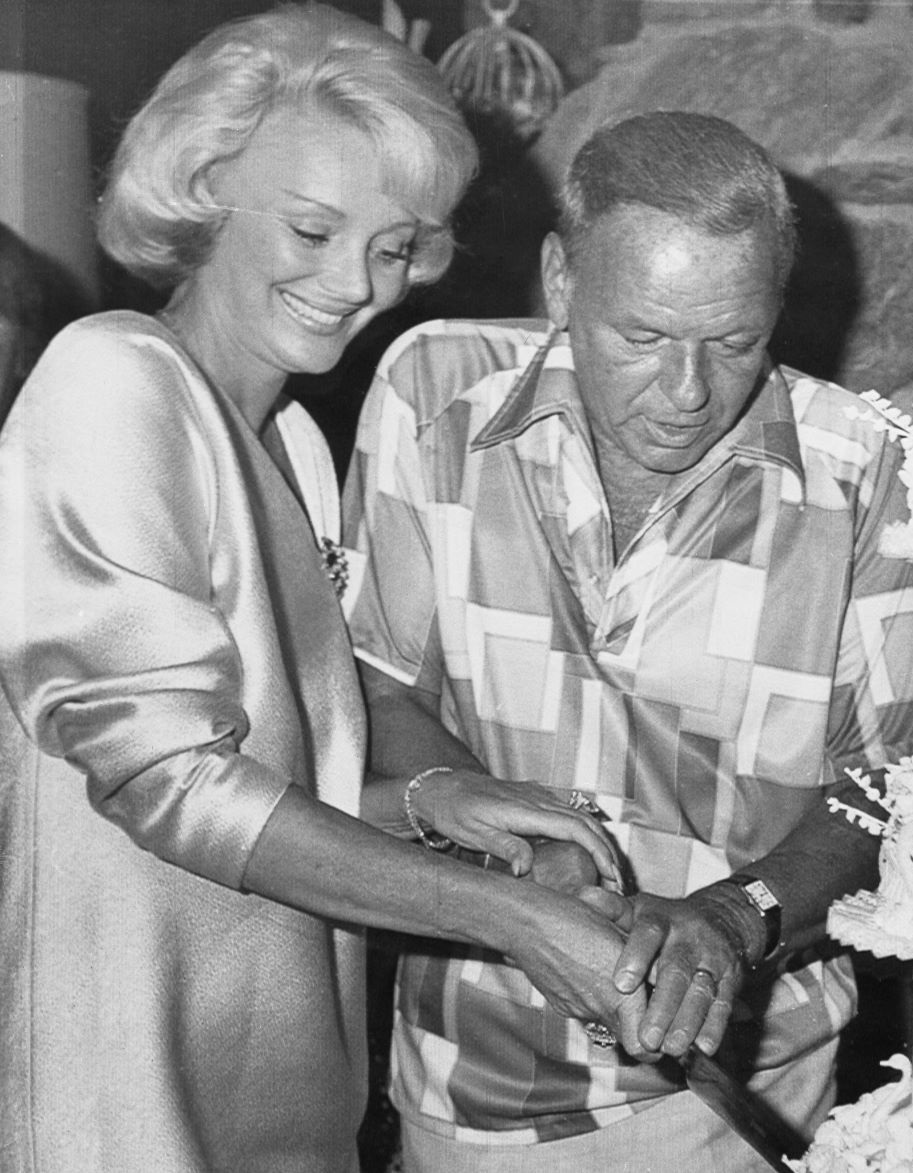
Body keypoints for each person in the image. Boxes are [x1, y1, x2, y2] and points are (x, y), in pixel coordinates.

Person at [0, 8, 646, 1172]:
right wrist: (505, 916)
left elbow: (283, 775)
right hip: (120, 1082)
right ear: (201, 185)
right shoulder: (110, 379)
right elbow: (170, 781)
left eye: (396, 246)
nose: (355, 284)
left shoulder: (293, 440)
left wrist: (436, 801)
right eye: (312, 228)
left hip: (277, 1077)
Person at [343, 110, 913, 1171]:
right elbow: (374, 684)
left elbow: (905, 782)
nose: (686, 395)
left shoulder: (862, 468)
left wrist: (734, 916)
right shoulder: (431, 391)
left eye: (732, 343)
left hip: (748, 1089)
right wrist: (510, 842)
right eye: (642, 339)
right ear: (561, 278)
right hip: (467, 1073)